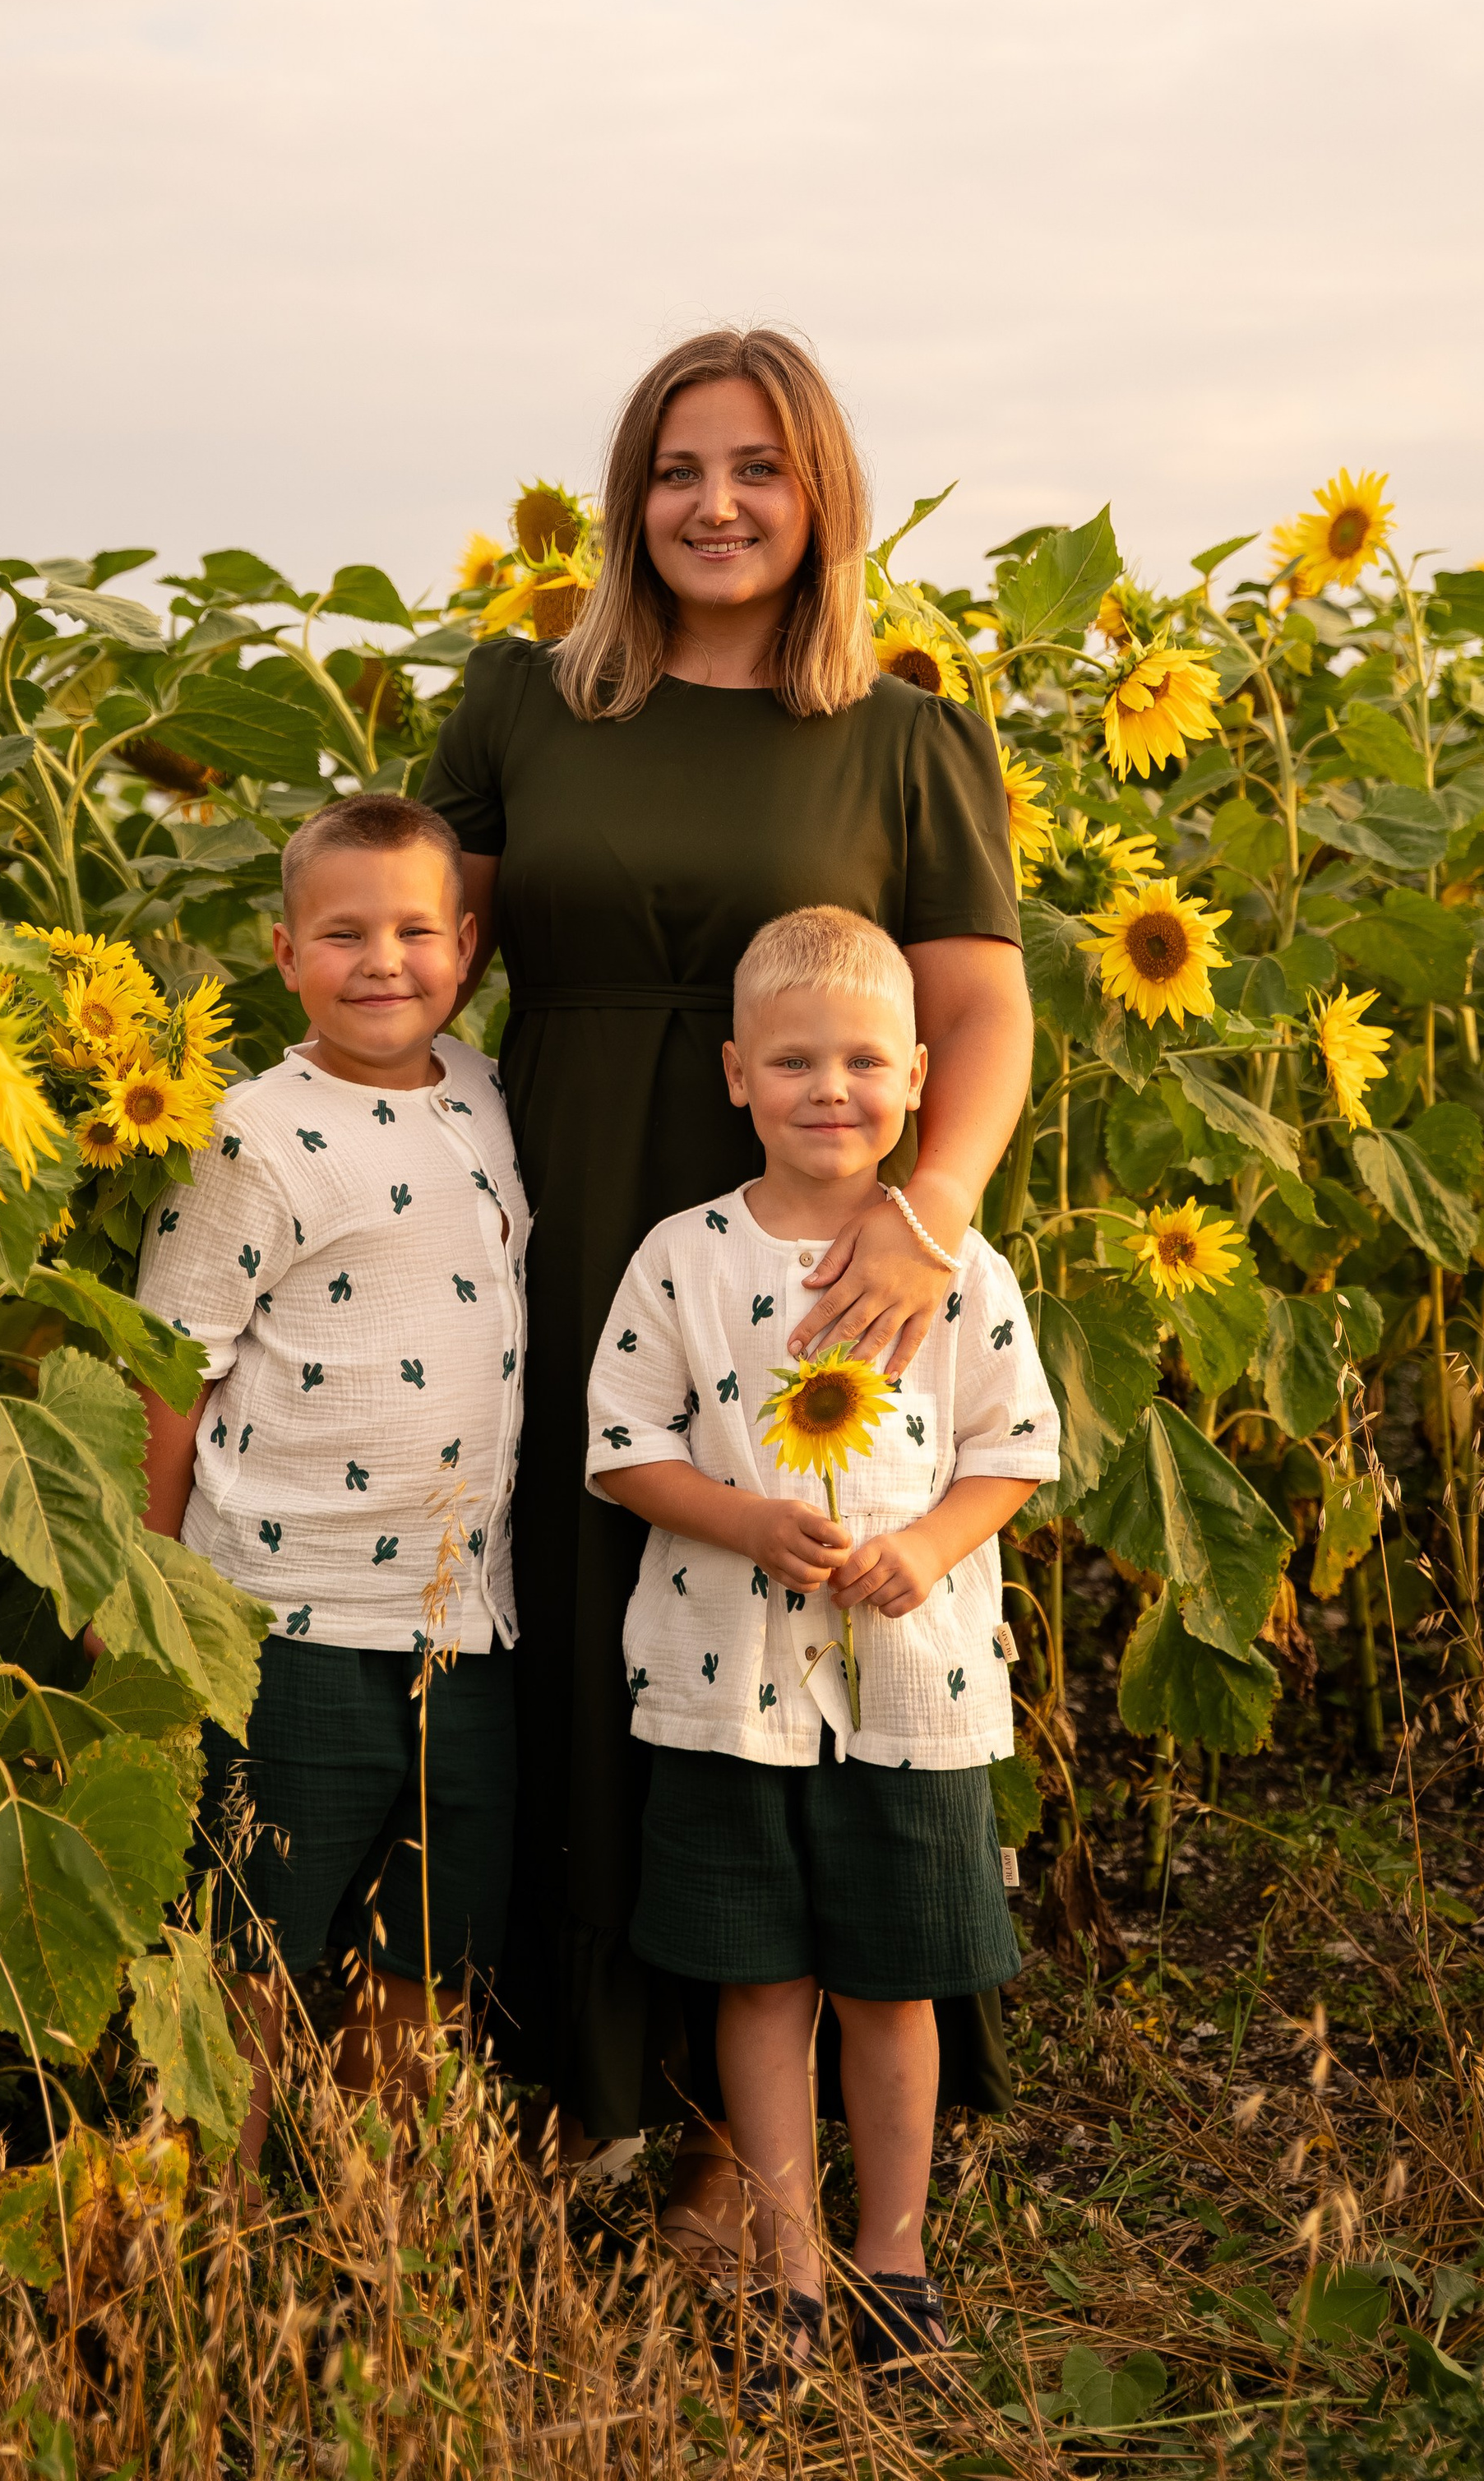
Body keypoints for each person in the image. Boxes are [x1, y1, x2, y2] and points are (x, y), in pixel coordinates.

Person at [422, 326, 1033, 2248]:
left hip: (826, 1240)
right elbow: (408, 950)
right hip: (567, 1193)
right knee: (601, 1598)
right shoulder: (525, 702)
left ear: (816, 497)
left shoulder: (903, 733)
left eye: (757, 469)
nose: (714, 503)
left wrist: (924, 1213)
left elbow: (979, 1007)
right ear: (630, 498)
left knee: (793, 1625)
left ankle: (726, 2135)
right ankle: (579, 2084)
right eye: (679, 468)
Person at [589, 907, 1058, 2386]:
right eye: (794, 1061)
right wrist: (737, 1518)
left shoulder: (958, 1266)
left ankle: (895, 2252)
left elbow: (1016, 1446)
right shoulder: (688, 1257)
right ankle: (786, 2257)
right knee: (761, 1985)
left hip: (912, 1694)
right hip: (728, 1687)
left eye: (865, 1061)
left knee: (893, 1984)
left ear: (921, 1079)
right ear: (736, 1076)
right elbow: (619, 1447)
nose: (830, 1089)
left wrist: (924, 1546)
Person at [131, 793, 531, 2157]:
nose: (384, 961)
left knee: (424, 1947)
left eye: (417, 930)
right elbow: (169, 1363)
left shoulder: (485, 1091)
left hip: (466, 1615)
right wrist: (150, 1571)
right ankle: (216, 2229)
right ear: (285, 951)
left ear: (467, 946)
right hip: (285, 1613)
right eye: (343, 933)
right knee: (252, 1941)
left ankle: (372, 2222)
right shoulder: (252, 1132)